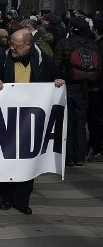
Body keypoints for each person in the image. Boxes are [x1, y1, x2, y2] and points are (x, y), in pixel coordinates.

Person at [0, 28, 65, 214]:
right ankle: (6, 198)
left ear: (28, 45)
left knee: (28, 159)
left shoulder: (43, 62)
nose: (12, 48)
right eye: (11, 44)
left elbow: (54, 78)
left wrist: (57, 83)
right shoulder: (2, 58)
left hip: (32, 119)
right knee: (6, 158)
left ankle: (22, 200)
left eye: (16, 45)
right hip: (7, 117)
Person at [53, 16, 99, 166]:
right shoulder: (93, 45)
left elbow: (56, 64)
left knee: (67, 122)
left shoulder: (64, 43)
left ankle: (69, 157)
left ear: (71, 28)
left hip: (66, 87)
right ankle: (80, 156)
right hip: (84, 88)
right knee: (80, 122)